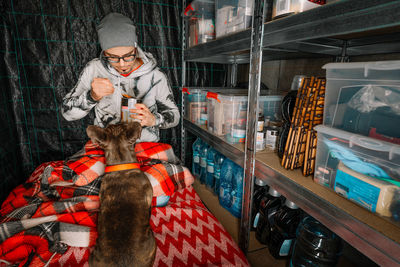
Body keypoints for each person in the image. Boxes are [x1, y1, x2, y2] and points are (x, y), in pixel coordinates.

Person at [61, 12, 180, 142]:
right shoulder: (94, 69)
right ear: (104, 52)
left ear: (135, 48)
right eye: (113, 58)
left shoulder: (155, 76)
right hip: (107, 146)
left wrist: (154, 119)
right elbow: (67, 113)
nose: (122, 64)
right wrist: (91, 96)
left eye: (128, 56)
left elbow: (175, 116)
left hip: (144, 147)